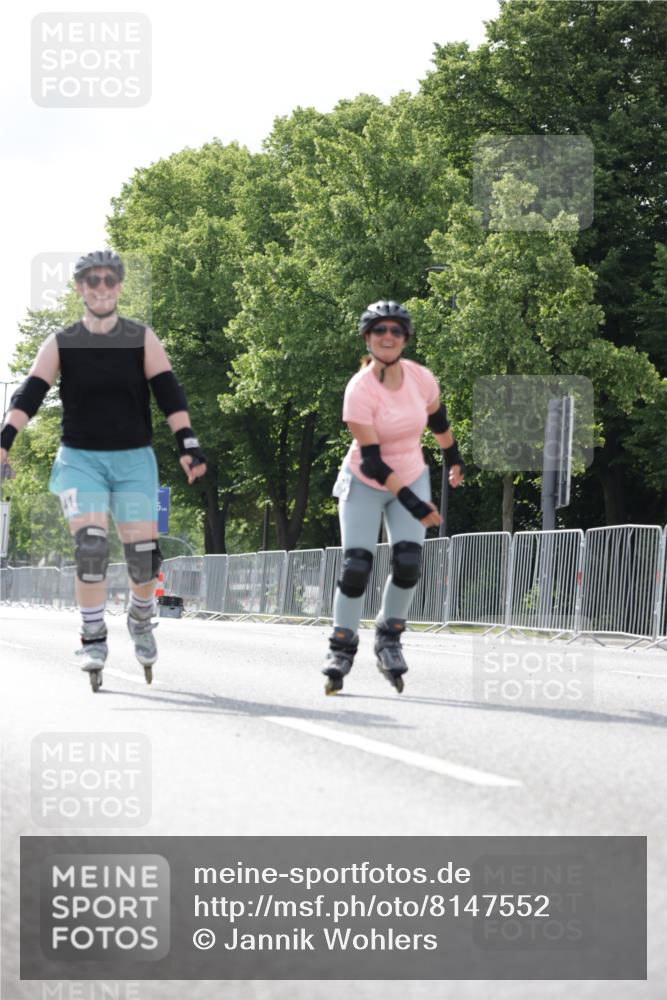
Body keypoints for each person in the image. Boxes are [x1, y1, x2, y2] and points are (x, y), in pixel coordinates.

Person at [0, 250, 207, 691]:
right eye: (91, 280)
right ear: (80, 287)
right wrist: (4, 442)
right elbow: (30, 392)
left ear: (118, 286)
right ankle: (92, 636)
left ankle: (140, 615)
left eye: (109, 280)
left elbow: (169, 392)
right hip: (81, 460)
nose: (100, 287)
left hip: (133, 458)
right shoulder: (62, 342)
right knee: (91, 548)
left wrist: (188, 445)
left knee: (144, 557)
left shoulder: (140, 338)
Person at [323, 299, 464, 695]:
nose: (388, 337)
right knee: (356, 567)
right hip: (366, 481)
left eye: (396, 331)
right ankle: (341, 645)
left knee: (408, 562)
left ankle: (389, 636)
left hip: (412, 474)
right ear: (368, 338)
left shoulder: (421, 378)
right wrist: (415, 504)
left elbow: (437, 417)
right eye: (379, 330)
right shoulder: (359, 390)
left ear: (405, 339)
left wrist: (452, 455)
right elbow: (372, 461)